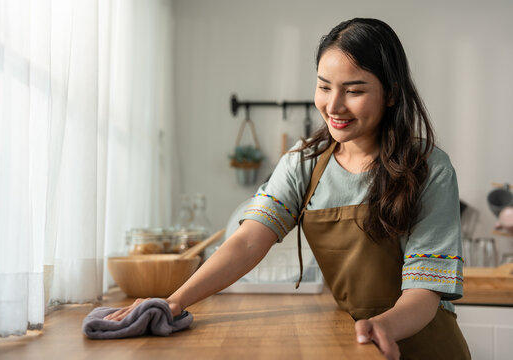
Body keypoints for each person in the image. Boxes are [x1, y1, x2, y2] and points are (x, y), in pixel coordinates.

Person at [106, 18, 471, 360]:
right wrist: (174, 301)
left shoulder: (428, 169)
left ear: (391, 94)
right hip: (352, 342)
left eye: (354, 90)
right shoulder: (304, 163)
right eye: (324, 87)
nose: (334, 105)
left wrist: (381, 326)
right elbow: (247, 241)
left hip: (424, 343)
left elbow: (425, 293)